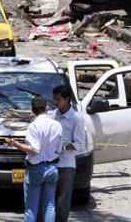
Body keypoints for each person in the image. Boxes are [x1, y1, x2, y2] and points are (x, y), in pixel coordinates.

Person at [6, 97, 62, 222]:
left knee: (31, 208)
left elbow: (34, 149)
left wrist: (15, 144)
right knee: (50, 206)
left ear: (32, 111)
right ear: (47, 108)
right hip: (52, 167)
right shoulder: (57, 125)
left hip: (36, 168)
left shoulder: (33, 126)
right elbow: (59, 149)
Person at [50, 85, 86, 222]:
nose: (55, 102)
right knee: (49, 198)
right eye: (54, 99)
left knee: (63, 200)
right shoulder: (52, 115)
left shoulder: (76, 118)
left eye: (58, 99)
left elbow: (80, 144)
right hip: (51, 163)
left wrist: (62, 147)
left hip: (67, 164)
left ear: (67, 99)